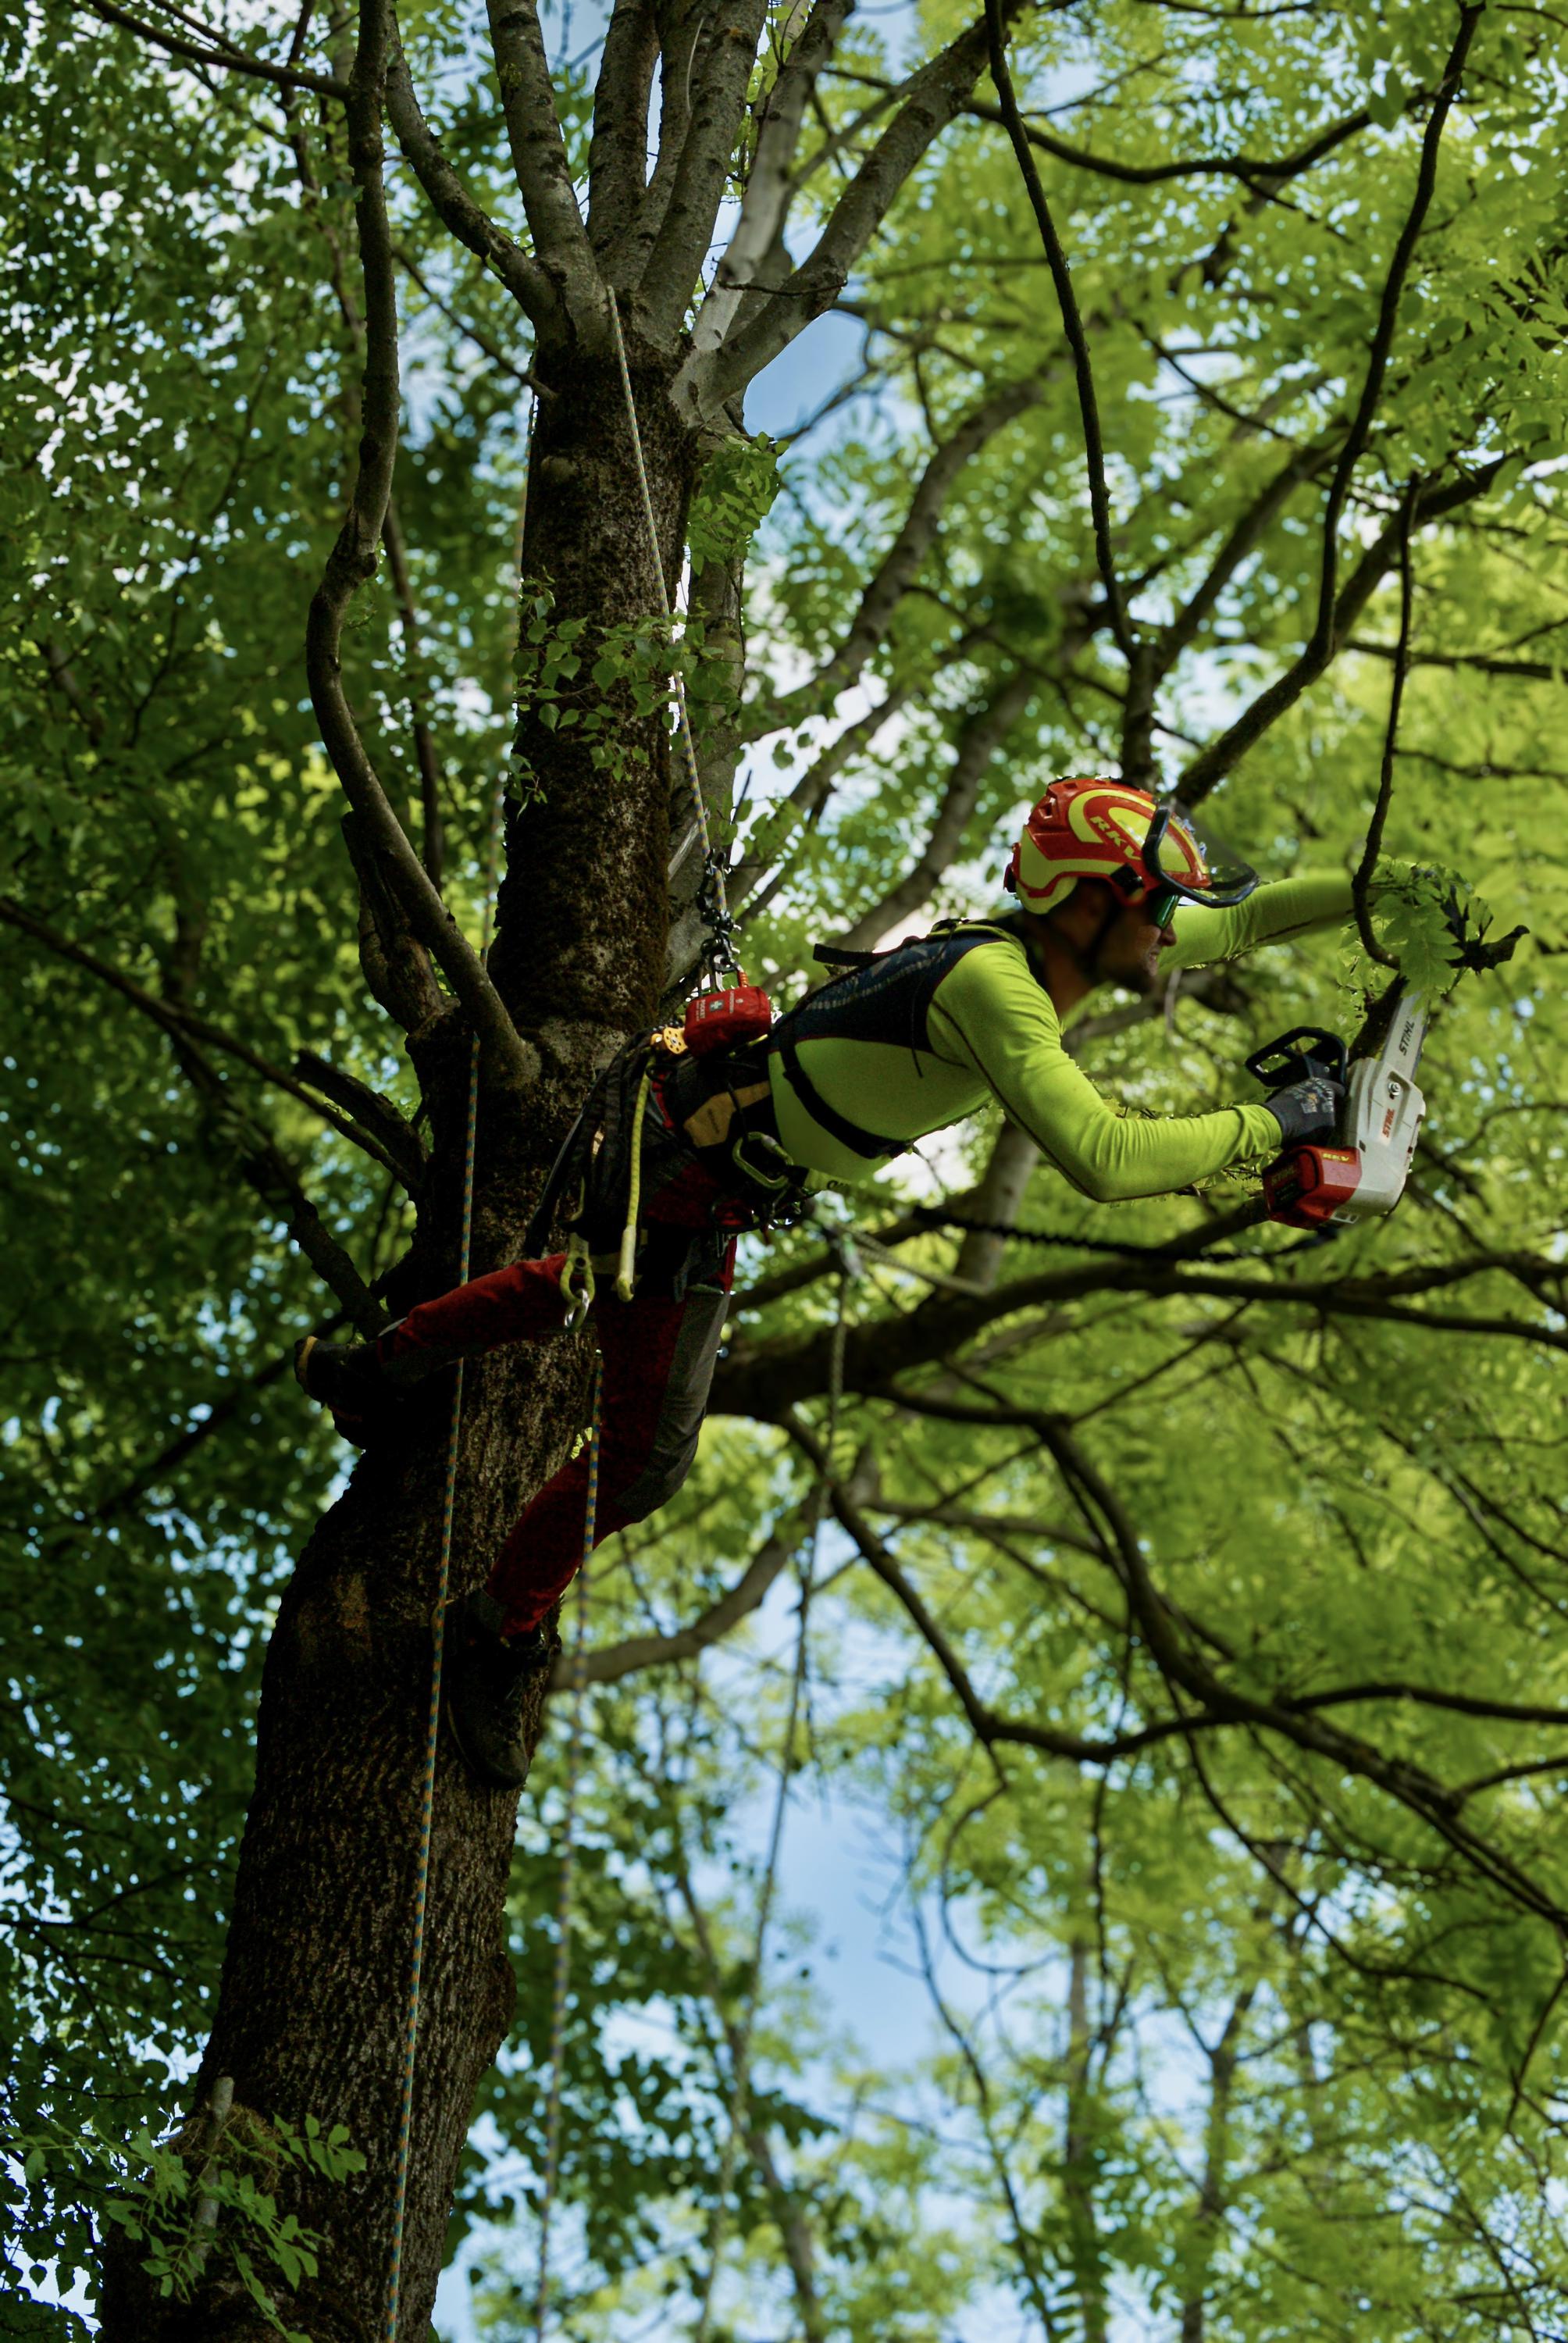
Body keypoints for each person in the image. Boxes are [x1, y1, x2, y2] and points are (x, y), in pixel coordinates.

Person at [297, 778, 1358, 1786]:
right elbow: (1104, 1158)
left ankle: (377, 1370)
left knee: (580, 1285)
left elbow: (1241, 917)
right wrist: (1276, 1124)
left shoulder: (1061, 951)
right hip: (687, 1164)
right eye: (1156, 908)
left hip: (692, 1149)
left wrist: (1372, 897)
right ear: (1086, 905)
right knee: (643, 1459)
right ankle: (496, 1627)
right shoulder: (995, 985)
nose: (1174, 932)